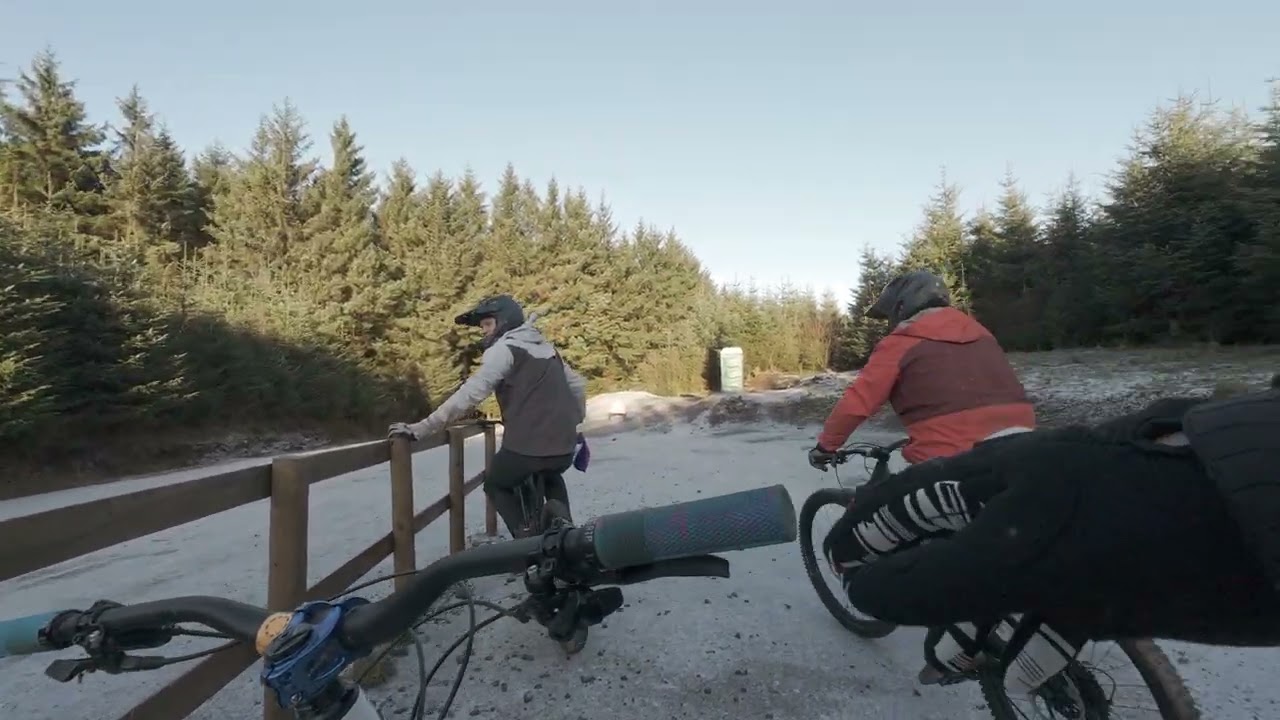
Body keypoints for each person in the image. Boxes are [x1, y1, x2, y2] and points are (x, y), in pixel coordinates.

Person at [817, 375, 1280, 697]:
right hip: (1023, 432)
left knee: (953, 535)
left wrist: (827, 445)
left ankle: (971, 620)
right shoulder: (976, 330)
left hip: (966, 451)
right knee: (1018, 541)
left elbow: (861, 398)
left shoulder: (902, 341)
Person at [388, 295, 588, 538]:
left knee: (496, 485)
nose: (483, 332)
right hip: (564, 448)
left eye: (487, 325)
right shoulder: (549, 349)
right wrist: (574, 420)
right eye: (482, 326)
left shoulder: (504, 350)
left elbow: (470, 394)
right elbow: (577, 385)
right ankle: (569, 535)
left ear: (504, 322)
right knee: (551, 475)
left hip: (526, 447)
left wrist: (423, 427)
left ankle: (527, 542)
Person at [808, 269, 1036, 473]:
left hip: (954, 460)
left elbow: (857, 403)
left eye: (889, 315)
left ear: (901, 307)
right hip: (1022, 446)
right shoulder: (983, 334)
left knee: (874, 516)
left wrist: (825, 446)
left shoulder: (900, 343)